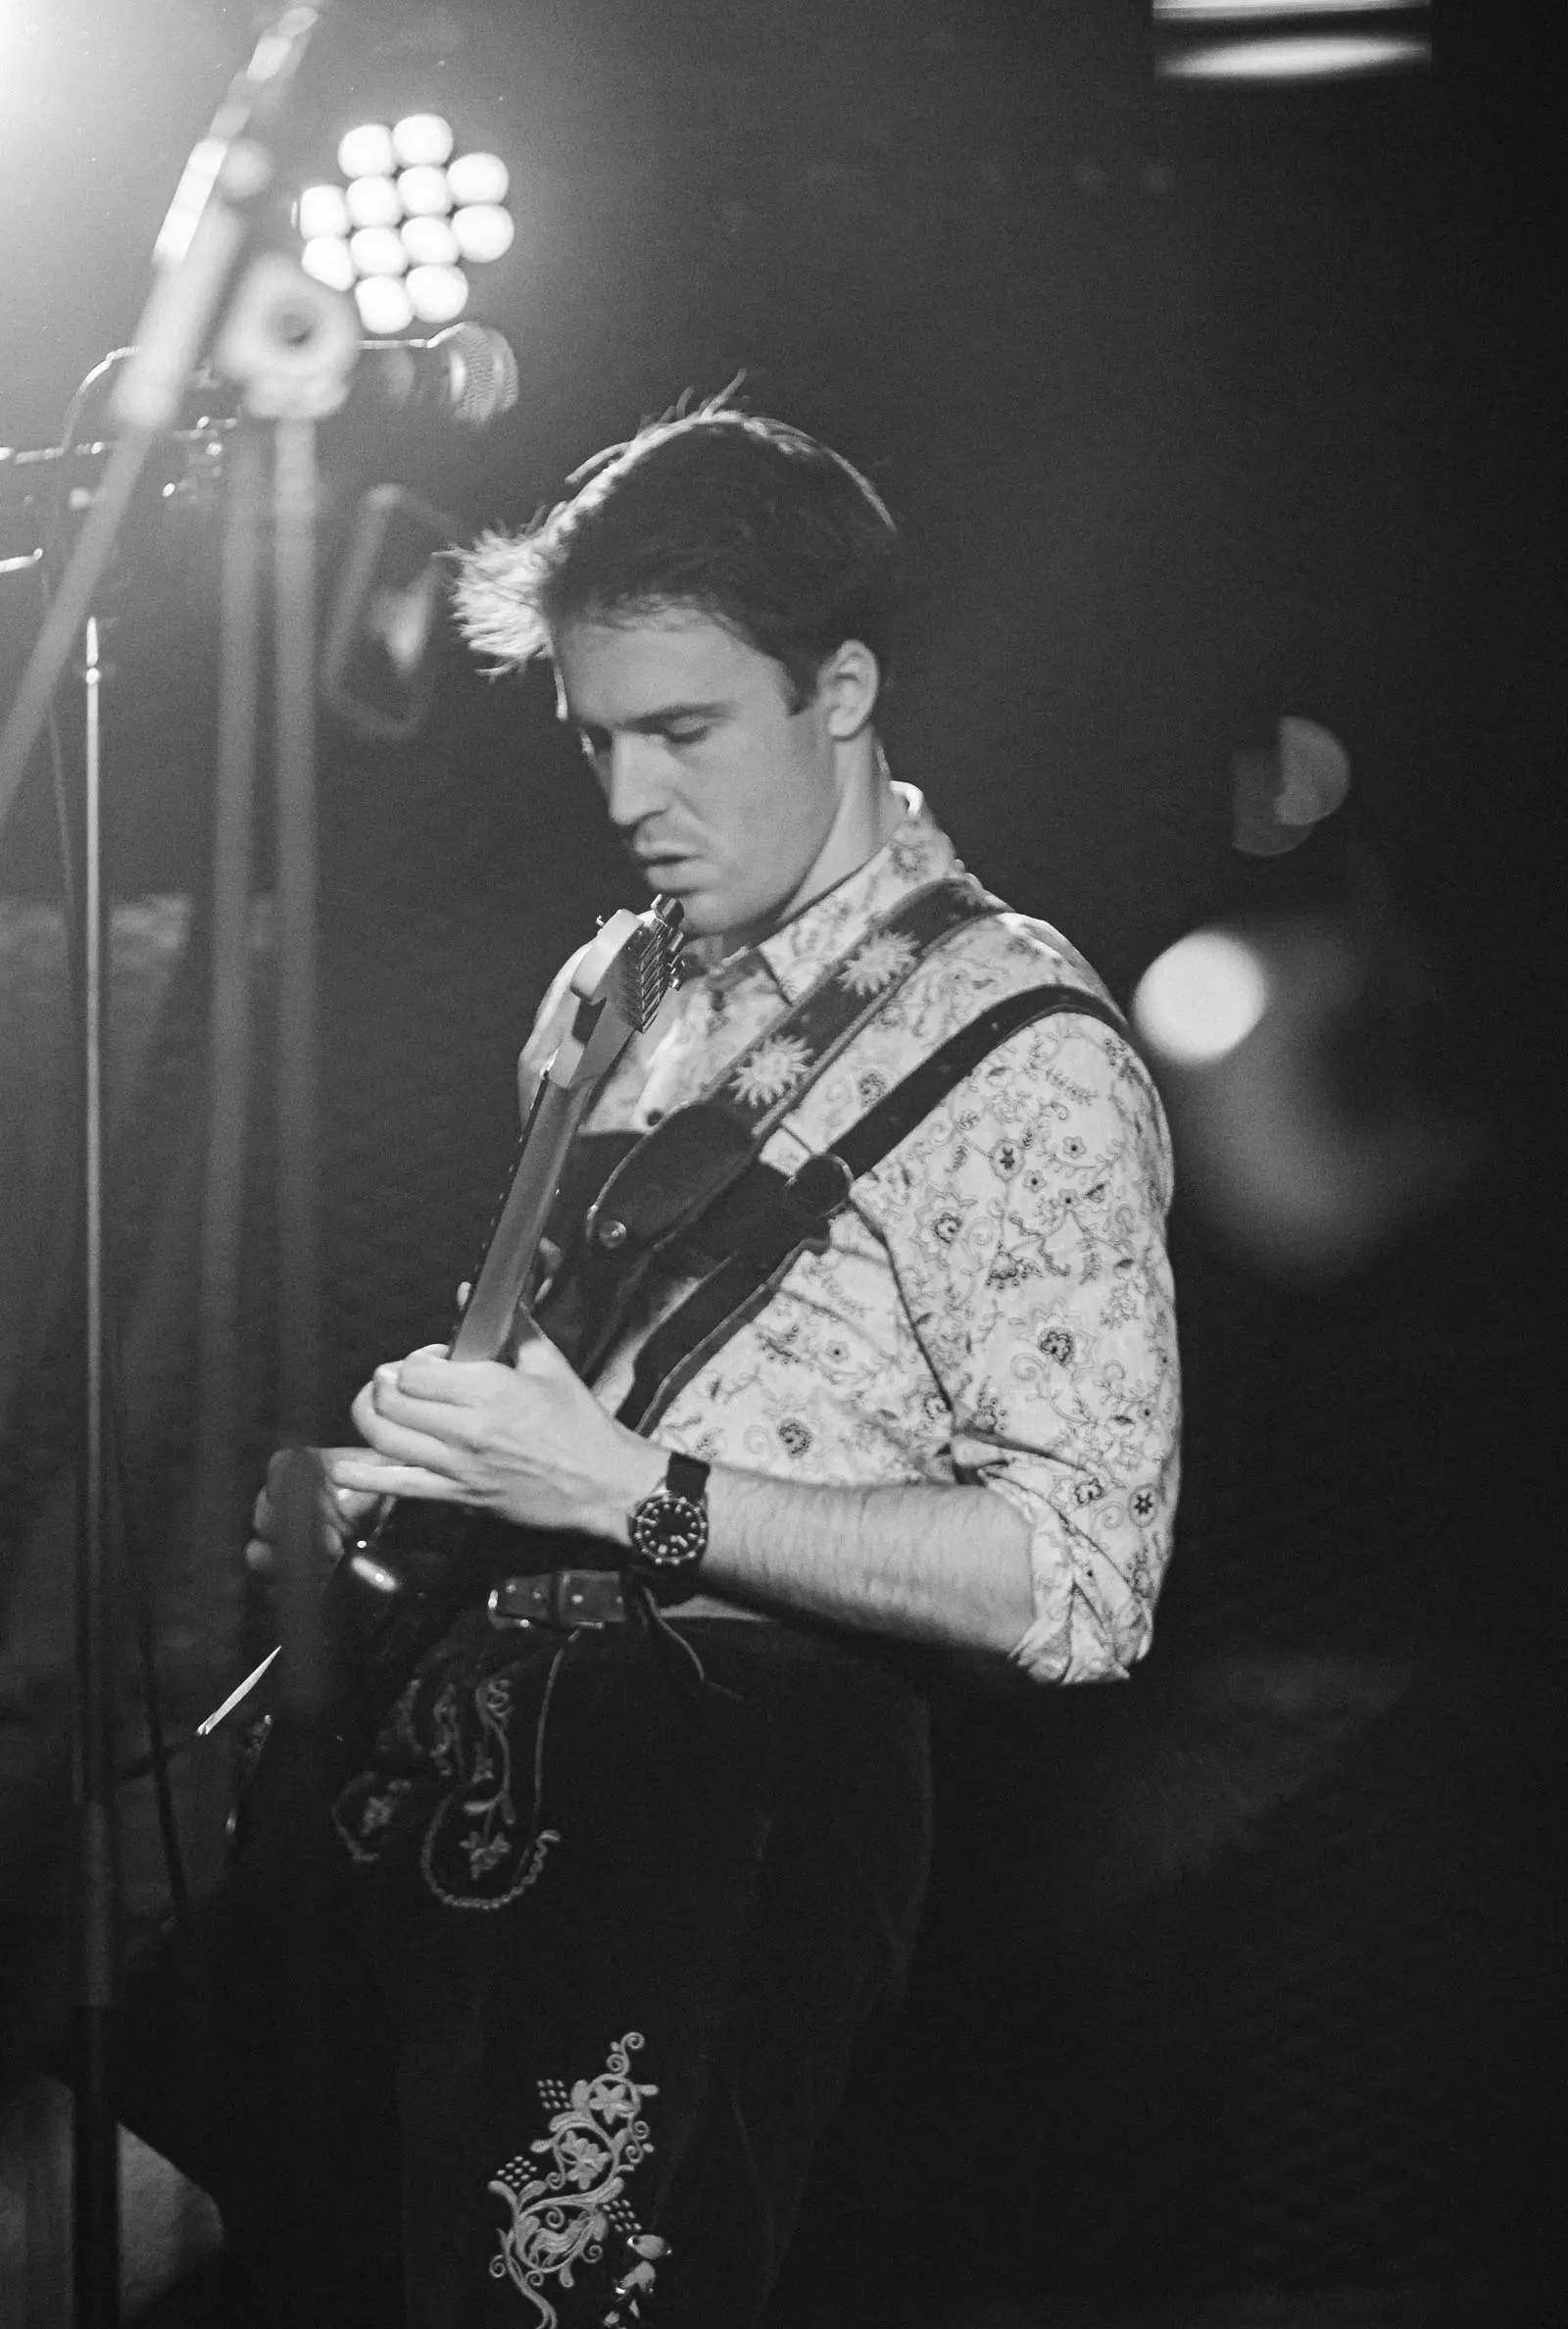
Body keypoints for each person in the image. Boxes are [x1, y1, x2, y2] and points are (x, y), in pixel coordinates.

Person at [3, 402, 1179, 2328]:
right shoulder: (609, 986)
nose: (632, 796)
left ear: (841, 690)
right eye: (594, 738)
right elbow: (580, 1381)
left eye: (685, 731)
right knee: (68, 2206)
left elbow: (1080, 1588)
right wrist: (425, 1470)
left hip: (719, 1791)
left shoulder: (1027, 1047)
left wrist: (627, 1493)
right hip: (437, 1727)